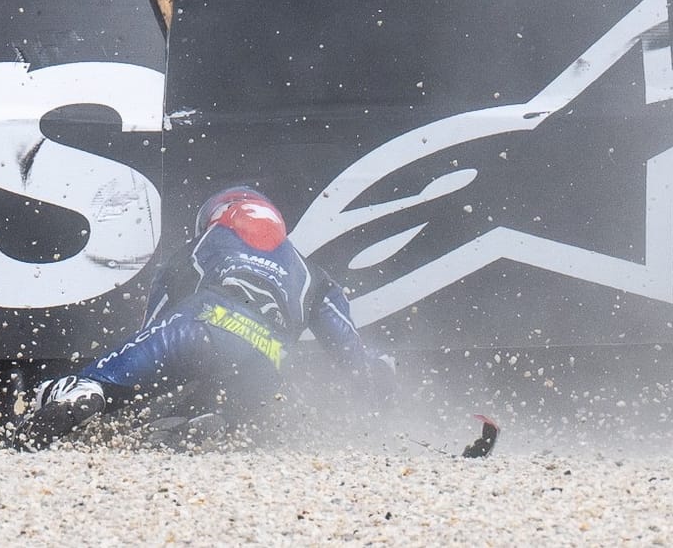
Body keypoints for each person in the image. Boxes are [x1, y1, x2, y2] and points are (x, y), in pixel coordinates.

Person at [21, 186, 395, 442]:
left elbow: (154, 325)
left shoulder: (203, 243)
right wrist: (379, 383)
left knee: (104, 382)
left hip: (204, 324)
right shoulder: (313, 275)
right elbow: (352, 354)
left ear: (216, 216)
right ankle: (210, 417)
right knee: (214, 406)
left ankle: (82, 393)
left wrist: (133, 375)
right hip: (268, 360)